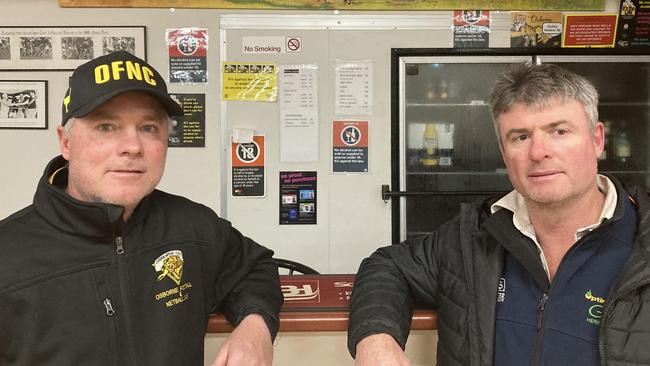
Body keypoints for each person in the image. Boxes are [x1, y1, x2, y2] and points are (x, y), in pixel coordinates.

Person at [348, 63, 650, 365]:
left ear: (597, 140)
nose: (538, 152)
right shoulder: (472, 237)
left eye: (559, 131)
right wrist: (376, 339)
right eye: (520, 137)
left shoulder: (641, 241)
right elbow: (388, 267)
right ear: (505, 154)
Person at [0, 51, 283, 365]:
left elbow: (255, 269)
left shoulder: (192, 226)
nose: (132, 146)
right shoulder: (8, 254)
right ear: (66, 142)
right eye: (107, 127)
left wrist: (256, 325)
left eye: (148, 128)